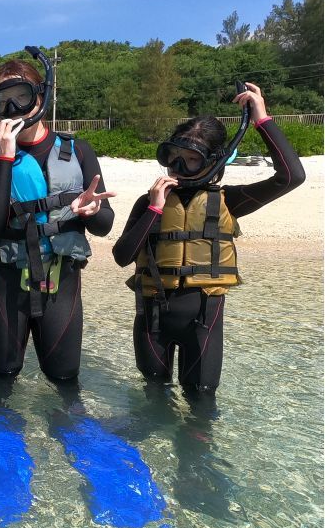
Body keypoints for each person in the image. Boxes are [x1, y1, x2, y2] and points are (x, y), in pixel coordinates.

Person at [112, 82, 305, 393]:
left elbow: (292, 177)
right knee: (153, 399)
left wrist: (262, 120)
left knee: (200, 410)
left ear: (214, 160)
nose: (177, 167)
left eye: (191, 159)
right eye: (172, 156)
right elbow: (122, 256)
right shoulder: (148, 202)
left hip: (203, 323)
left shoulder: (227, 200)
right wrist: (155, 210)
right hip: (153, 323)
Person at [0, 53, 115, 386]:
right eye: (3, 101)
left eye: (21, 97)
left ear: (40, 96)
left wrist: (93, 211)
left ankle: (69, 433)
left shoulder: (78, 150)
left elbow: (105, 224)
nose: (13, 109)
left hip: (61, 281)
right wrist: (7, 157)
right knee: (1, 377)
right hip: (8, 282)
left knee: (64, 378)